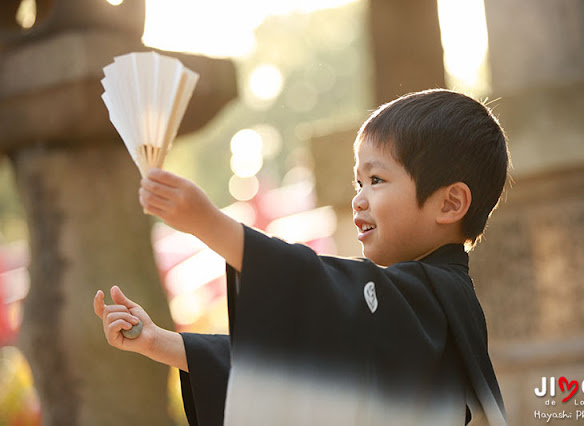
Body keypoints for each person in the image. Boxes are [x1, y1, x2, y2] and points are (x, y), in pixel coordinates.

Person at [94, 89, 509, 425]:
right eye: (357, 182)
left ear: (450, 203)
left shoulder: (433, 297)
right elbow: (296, 354)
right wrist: (163, 343)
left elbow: (313, 284)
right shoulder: (408, 303)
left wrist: (208, 223)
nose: (358, 200)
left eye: (377, 180)